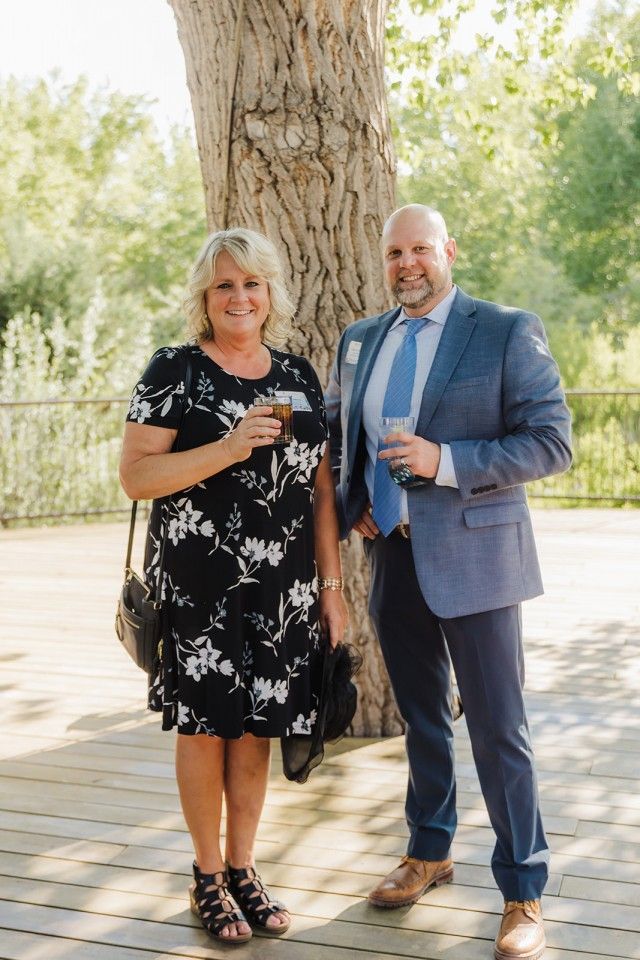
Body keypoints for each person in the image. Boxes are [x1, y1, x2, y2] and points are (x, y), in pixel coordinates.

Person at [325, 204, 571, 960]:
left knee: (500, 732)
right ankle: (429, 850)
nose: (407, 264)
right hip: (393, 559)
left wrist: (446, 461)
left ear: (448, 251)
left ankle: (523, 890)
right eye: (395, 251)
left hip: (479, 561)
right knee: (422, 720)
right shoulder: (361, 340)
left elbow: (550, 442)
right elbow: (346, 434)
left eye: (421, 249)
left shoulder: (503, 329)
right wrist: (354, 503)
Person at [120, 227, 348, 944]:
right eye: (225, 285)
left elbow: (320, 491)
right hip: (200, 585)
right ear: (205, 297)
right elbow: (136, 476)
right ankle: (208, 877)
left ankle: (246, 870)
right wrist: (225, 446)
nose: (239, 297)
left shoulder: (298, 375)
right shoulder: (174, 370)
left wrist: (333, 587)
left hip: (284, 591)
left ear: (271, 292)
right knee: (206, 728)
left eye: (251, 283)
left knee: (254, 731)